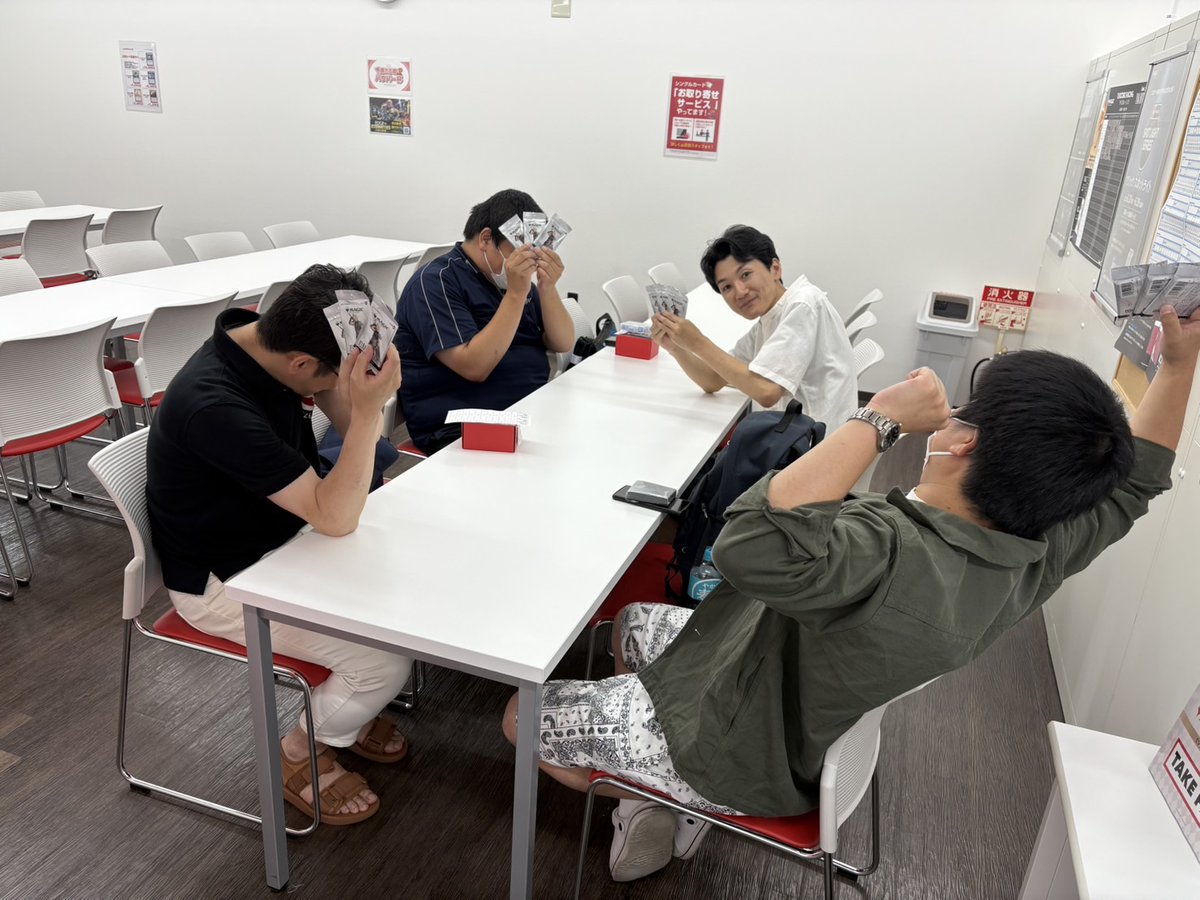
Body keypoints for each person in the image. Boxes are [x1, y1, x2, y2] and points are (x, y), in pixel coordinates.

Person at [503, 305, 1200, 883]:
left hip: (733, 745)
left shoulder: (881, 549)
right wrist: (1178, 364)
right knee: (631, 623)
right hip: (793, 710)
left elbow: (748, 544)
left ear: (964, 443)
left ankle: (661, 793)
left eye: (966, 410)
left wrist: (880, 420)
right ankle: (659, 789)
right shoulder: (1031, 556)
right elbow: (1137, 483)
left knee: (518, 714)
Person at [147, 264, 412, 826]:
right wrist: (369, 409)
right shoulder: (215, 405)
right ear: (300, 365)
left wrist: (351, 391)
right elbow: (335, 516)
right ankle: (297, 752)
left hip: (286, 537)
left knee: (408, 597)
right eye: (330, 375)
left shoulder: (264, 340)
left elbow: (348, 445)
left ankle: (345, 716)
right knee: (385, 662)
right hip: (225, 581)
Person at [393, 189, 576, 453]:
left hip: (527, 410)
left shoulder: (512, 281)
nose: (528, 264)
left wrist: (547, 286)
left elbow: (562, 342)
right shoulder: (435, 281)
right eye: (519, 252)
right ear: (486, 239)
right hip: (463, 427)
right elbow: (474, 367)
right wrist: (515, 295)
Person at [651, 224, 858, 428]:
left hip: (813, 442)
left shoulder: (803, 304)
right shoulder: (768, 320)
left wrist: (698, 342)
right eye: (727, 287)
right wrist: (677, 348)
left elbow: (766, 391)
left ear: (775, 268)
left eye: (745, 275)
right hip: (791, 434)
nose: (740, 292)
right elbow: (713, 380)